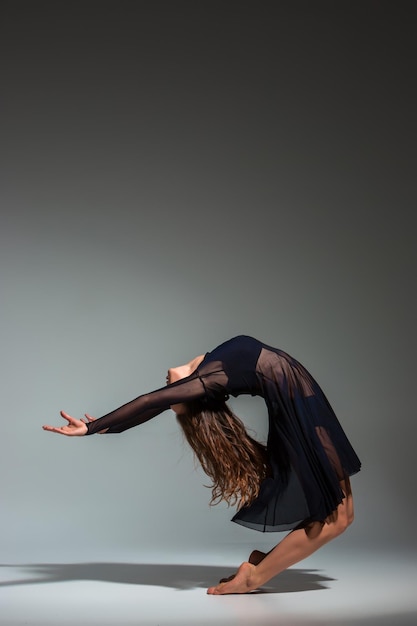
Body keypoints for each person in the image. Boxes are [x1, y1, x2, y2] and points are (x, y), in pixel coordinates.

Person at [43, 335, 361, 595]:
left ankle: (262, 565)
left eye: (173, 400)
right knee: (338, 518)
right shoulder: (209, 379)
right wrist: (96, 428)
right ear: (193, 397)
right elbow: (150, 402)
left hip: (302, 402)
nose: (169, 397)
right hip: (301, 406)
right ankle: (253, 576)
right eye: (174, 401)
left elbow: (151, 402)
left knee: (340, 516)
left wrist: (102, 426)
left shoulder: (207, 371)